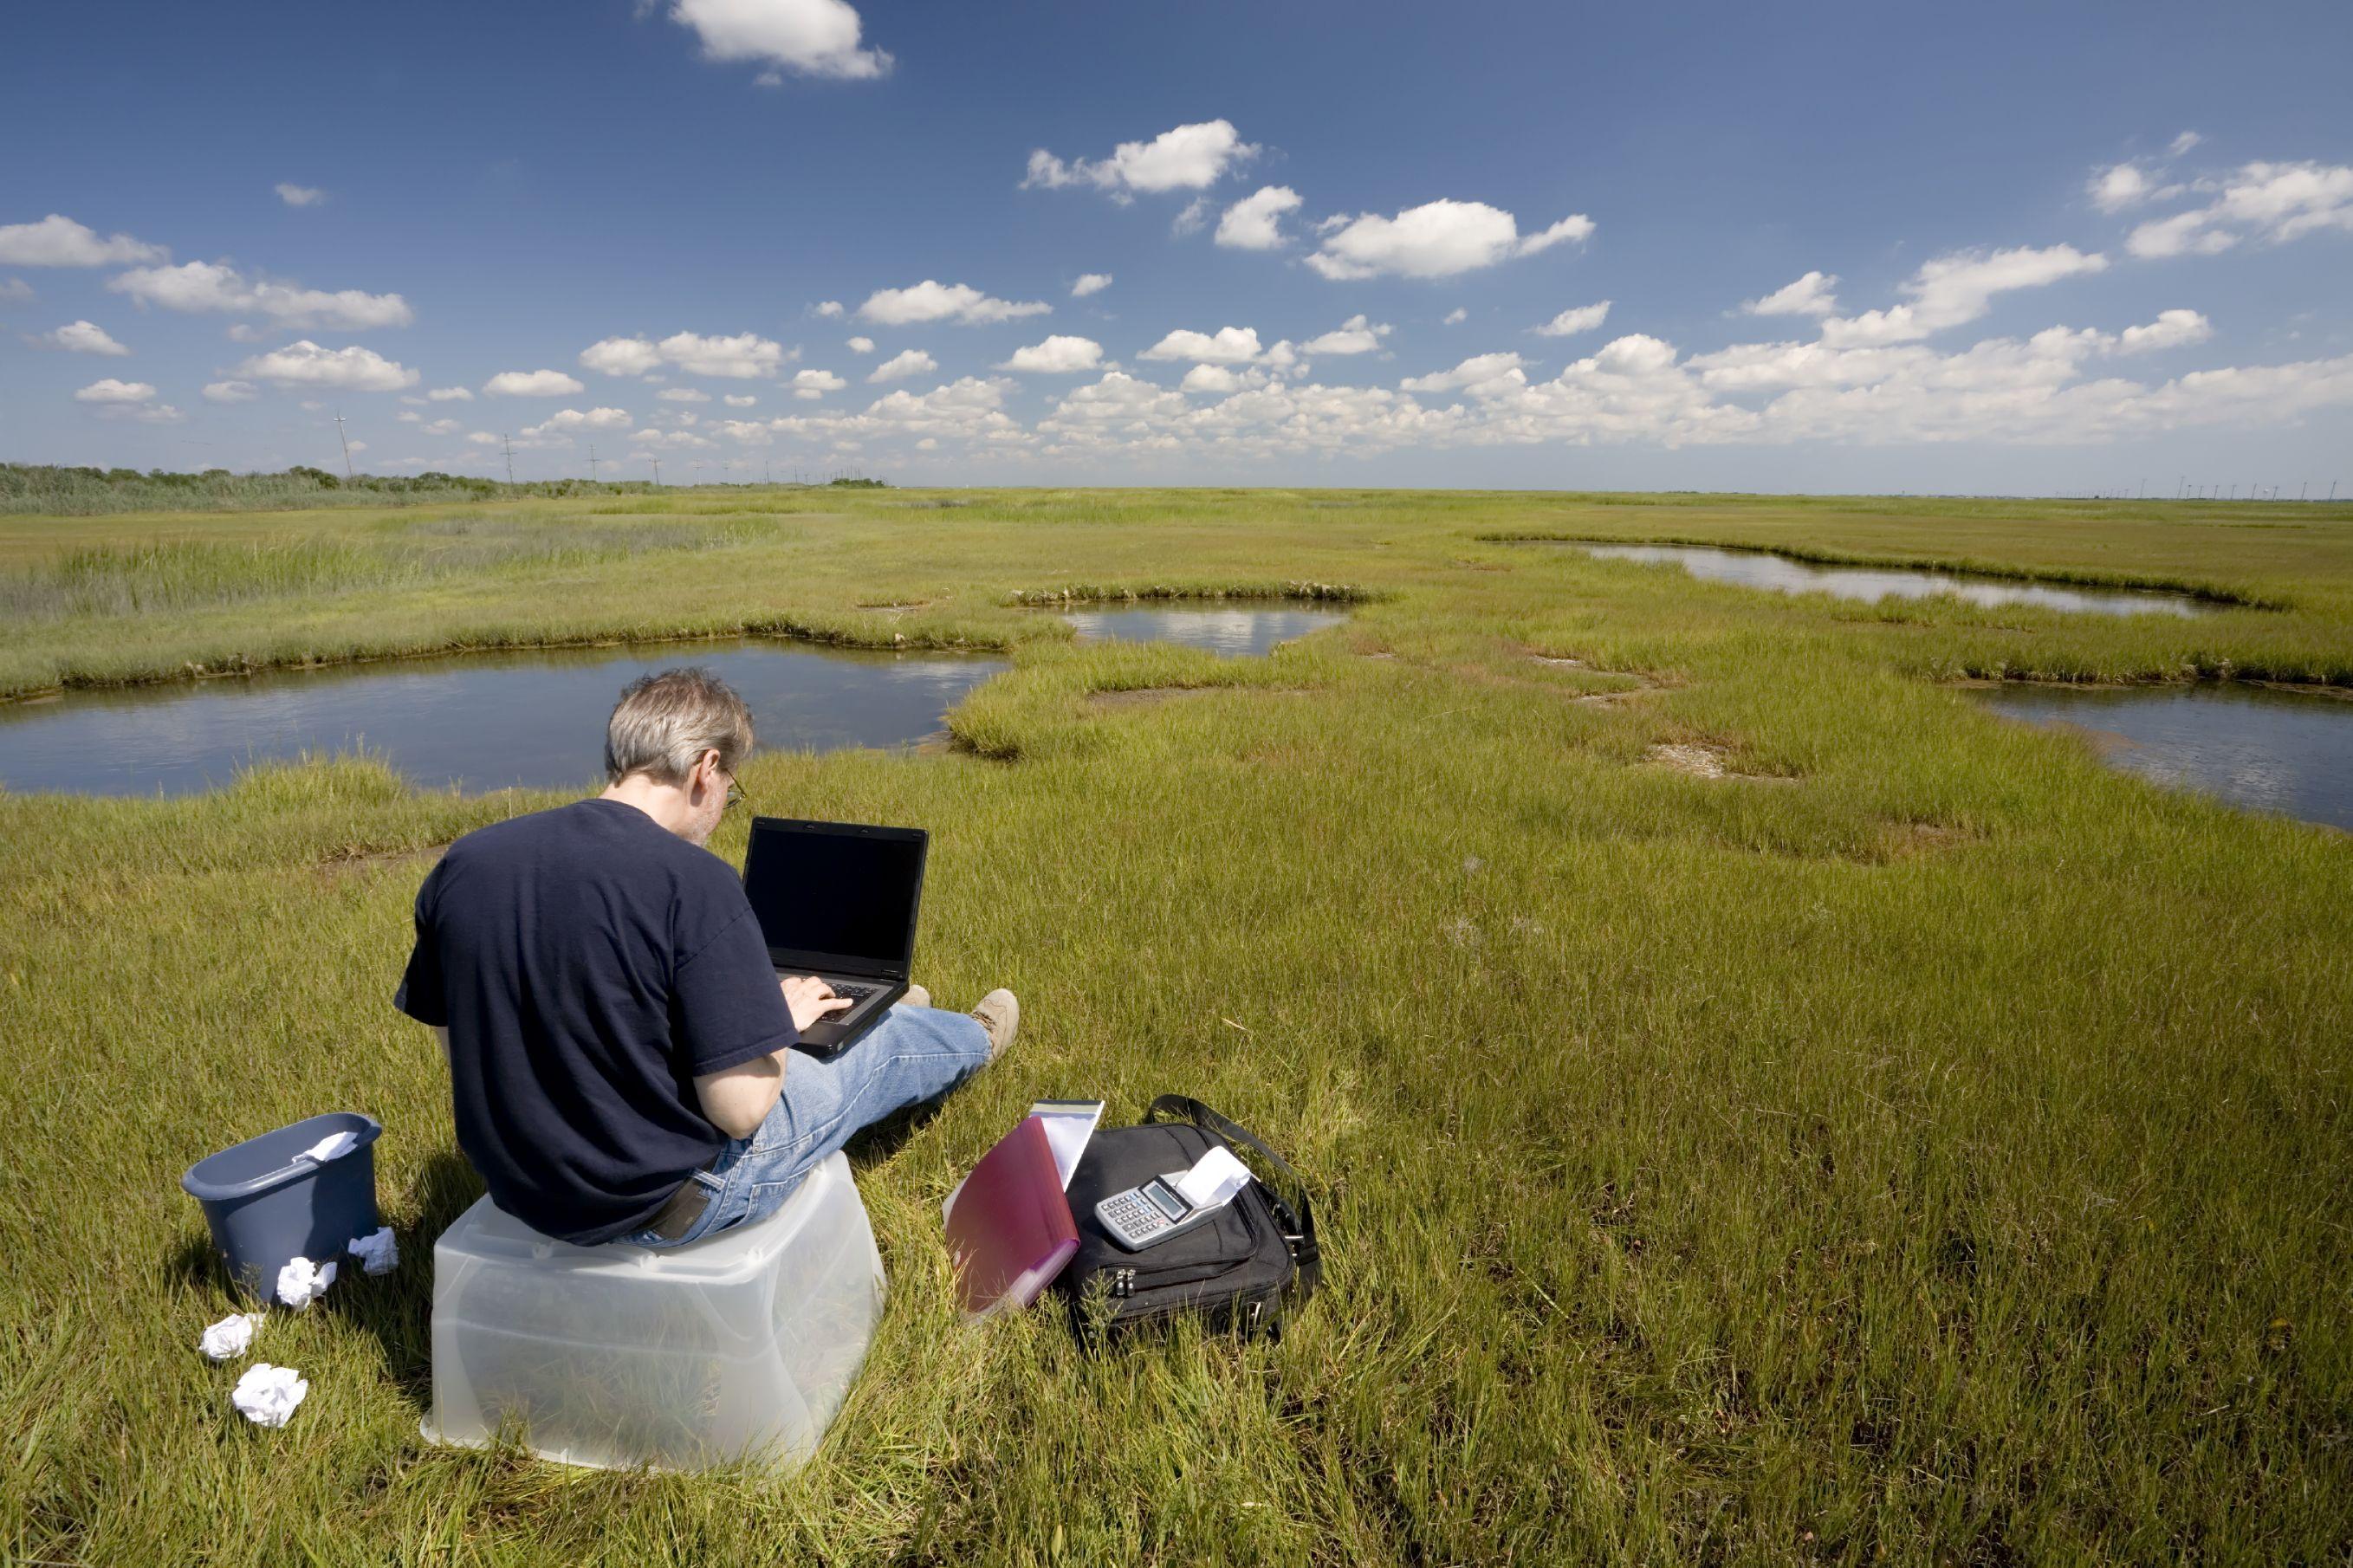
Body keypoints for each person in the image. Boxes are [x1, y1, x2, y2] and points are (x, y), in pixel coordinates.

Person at [393, 667, 1016, 1248]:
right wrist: (775, 1024)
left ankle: (890, 1016)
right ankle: (975, 1039)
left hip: (518, 1191)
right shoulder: (691, 880)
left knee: (840, 1027)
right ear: (706, 768)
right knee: (877, 1051)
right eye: (730, 787)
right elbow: (740, 1112)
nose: (723, 802)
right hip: (669, 1204)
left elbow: (465, 1045)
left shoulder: (467, 863)